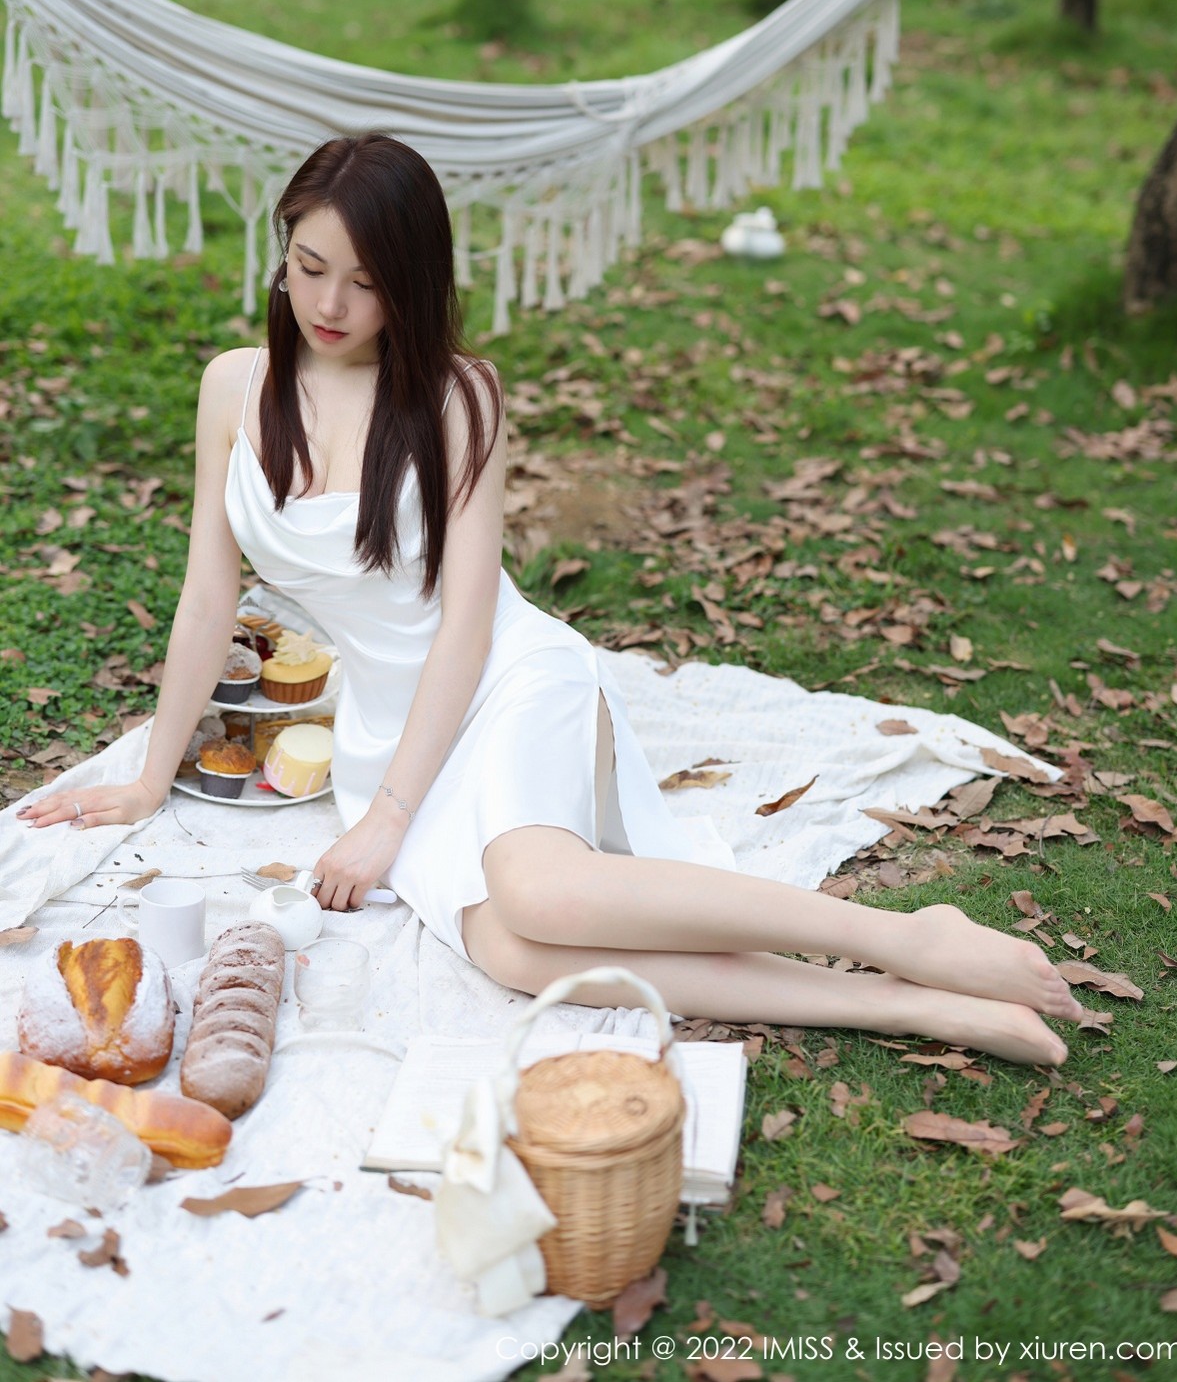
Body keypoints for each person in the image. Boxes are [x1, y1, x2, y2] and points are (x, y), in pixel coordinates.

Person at [20, 133, 1082, 1067]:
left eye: (366, 280)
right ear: (282, 250)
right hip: (387, 729)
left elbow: (471, 619)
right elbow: (208, 594)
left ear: (413, 284)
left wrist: (390, 824)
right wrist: (151, 777)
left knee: (538, 894)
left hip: (503, 677)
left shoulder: (455, 394)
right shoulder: (231, 385)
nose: (332, 305)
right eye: (310, 267)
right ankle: (909, 1008)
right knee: (511, 950)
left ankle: (906, 937)